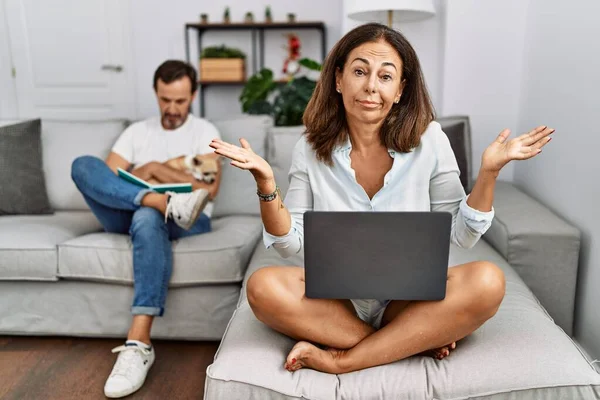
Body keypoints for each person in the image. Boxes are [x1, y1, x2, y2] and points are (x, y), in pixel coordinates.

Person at [210, 23, 554, 374]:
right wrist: (266, 182)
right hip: (335, 302)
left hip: (409, 299)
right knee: (262, 287)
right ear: (339, 79)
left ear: (401, 89)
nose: (371, 86)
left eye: (385, 76)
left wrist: (489, 173)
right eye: (360, 71)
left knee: (488, 281)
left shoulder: (431, 139)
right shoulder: (310, 149)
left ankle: (343, 359)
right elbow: (289, 243)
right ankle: (409, 339)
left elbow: (462, 235)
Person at [71, 60, 222, 398]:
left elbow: (208, 188)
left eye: (180, 101)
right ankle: (158, 201)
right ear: (156, 93)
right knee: (82, 165)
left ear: (193, 95)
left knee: (146, 217)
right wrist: (160, 191)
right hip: (132, 211)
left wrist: (153, 168)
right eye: (165, 99)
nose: (172, 109)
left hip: (189, 218)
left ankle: (138, 344)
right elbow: (104, 183)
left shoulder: (205, 132)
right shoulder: (137, 132)